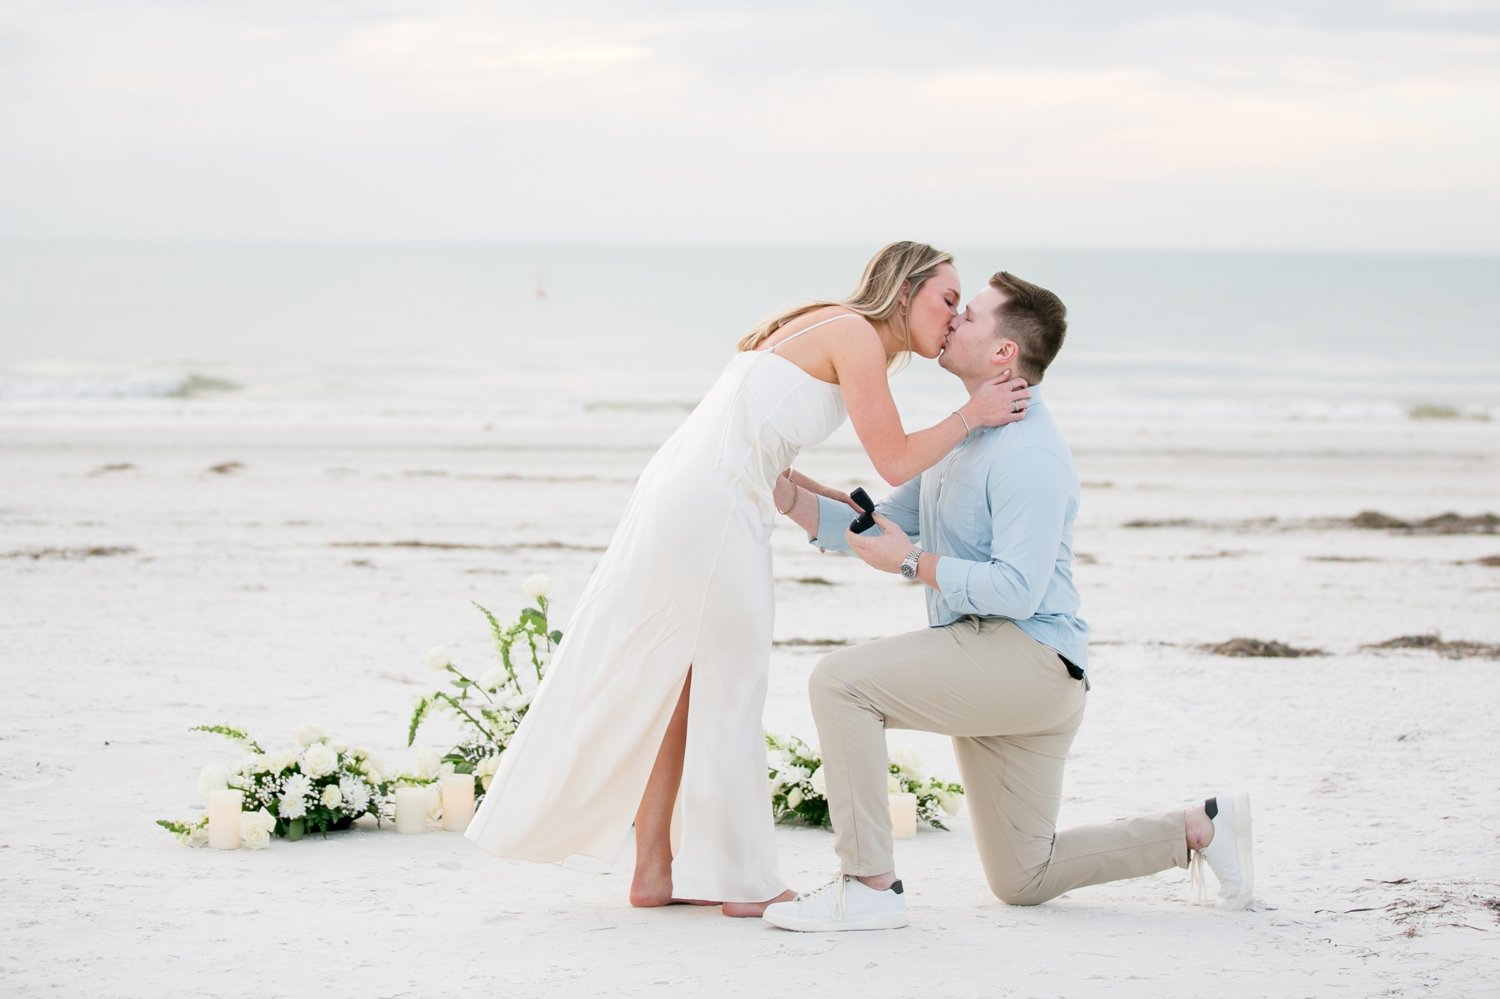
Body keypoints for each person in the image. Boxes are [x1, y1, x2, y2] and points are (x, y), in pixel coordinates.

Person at [464, 242, 1033, 916]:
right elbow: (896, 459)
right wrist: (976, 414)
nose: (954, 315)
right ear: (905, 290)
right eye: (946, 299)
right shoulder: (855, 334)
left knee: (684, 683)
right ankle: (742, 882)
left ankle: (655, 870)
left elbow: (758, 444)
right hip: (716, 504)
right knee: (732, 687)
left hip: (694, 491)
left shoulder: (824, 322)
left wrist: (828, 510)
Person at [762, 270, 1253, 932]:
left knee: (840, 684)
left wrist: (913, 561)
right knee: (1025, 876)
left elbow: (1016, 589)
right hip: (1001, 666)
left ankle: (869, 885)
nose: (954, 319)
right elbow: (872, 522)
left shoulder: (1029, 453)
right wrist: (779, 482)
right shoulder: (967, 434)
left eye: (970, 315)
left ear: (1004, 355)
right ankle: (1201, 827)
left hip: (1031, 660)